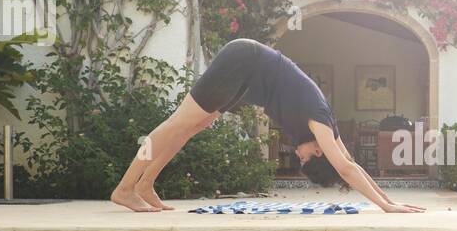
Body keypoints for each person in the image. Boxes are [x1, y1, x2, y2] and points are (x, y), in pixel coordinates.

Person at [110, 39, 425, 213]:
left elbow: (351, 165)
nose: (296, 154)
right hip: (244, 62)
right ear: (318, 151)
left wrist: (389, 201)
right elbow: (344, 167)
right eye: (305, 158)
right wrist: (385, 207)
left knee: (191, 127)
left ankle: (145, 185)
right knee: (178, 123)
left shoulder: (325, 126)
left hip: (249, 81)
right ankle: (125, 188)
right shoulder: (319, 123)